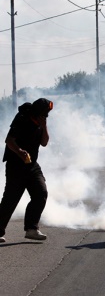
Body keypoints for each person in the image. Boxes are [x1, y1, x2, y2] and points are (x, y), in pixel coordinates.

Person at [0, 98, 53, 243]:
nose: (45, 116)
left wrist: (44, 126)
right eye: (44, 113)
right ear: (37, 111)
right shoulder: (22, 118)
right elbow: (9, 140)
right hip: (16, 164)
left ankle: (31, 229)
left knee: (41, 193)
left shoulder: (41, 122)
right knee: (10, 199)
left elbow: (44, 143)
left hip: (32, 164)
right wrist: (20, 151)